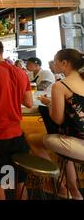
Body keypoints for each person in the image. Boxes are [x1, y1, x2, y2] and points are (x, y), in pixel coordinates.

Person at [0, 40, 33, 200]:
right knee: (18, 179)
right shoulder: (21, 72)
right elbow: (29, 103)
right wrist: (11, 93)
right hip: (16, 134)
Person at [27, 49, 84, 200]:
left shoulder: (60, 86)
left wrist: (50, 105)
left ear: (64, 63)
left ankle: (56, 185)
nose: (53, 64)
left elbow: (57, 119)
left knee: (32, 139)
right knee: (65, 152)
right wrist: (52, 102)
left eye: (55, 61)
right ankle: (74, 191)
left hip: (77, 144)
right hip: (77, 139)